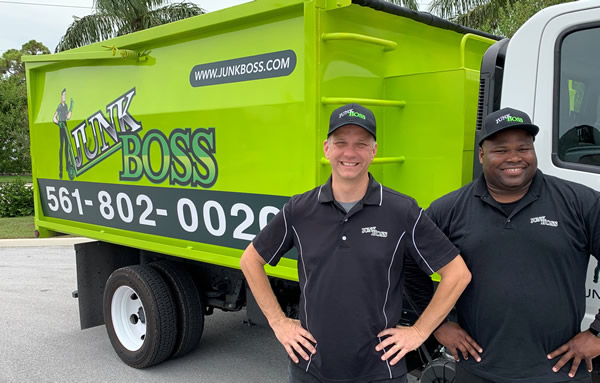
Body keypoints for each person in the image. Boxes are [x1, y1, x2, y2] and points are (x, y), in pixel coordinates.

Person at [239, 103, 471, 383]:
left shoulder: (401, 211)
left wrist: (419, 332)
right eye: (341, 143)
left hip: (380, 370)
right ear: (326, 148)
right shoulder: (299, 209)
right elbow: (250, 260)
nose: (350, 153)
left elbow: (457, 273)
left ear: (373, 151)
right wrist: (278, 323)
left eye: (361, 144)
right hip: (311, 368)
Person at [426, 107, 600, 382]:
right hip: (477, 371)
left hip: (559, 373)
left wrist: (597, 334)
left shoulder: (580, 203)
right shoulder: (449, 210)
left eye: (523, 148)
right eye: (501, 150)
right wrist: (436, 325)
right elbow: (406, 265)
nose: (514, 158)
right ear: (482, 154)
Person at [52, 88, 73, 179]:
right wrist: (58, 123)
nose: (64, 97)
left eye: (65, 95)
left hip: (65, 125)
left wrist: (71, 107)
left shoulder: (66, 106)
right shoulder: (59, 106)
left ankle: (67, 165)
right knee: (62, 146)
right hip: (61, 126)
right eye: (63, 95)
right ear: (61, 96)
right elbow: (54, 117)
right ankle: (60, 170)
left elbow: (68, 117)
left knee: (67, 146)